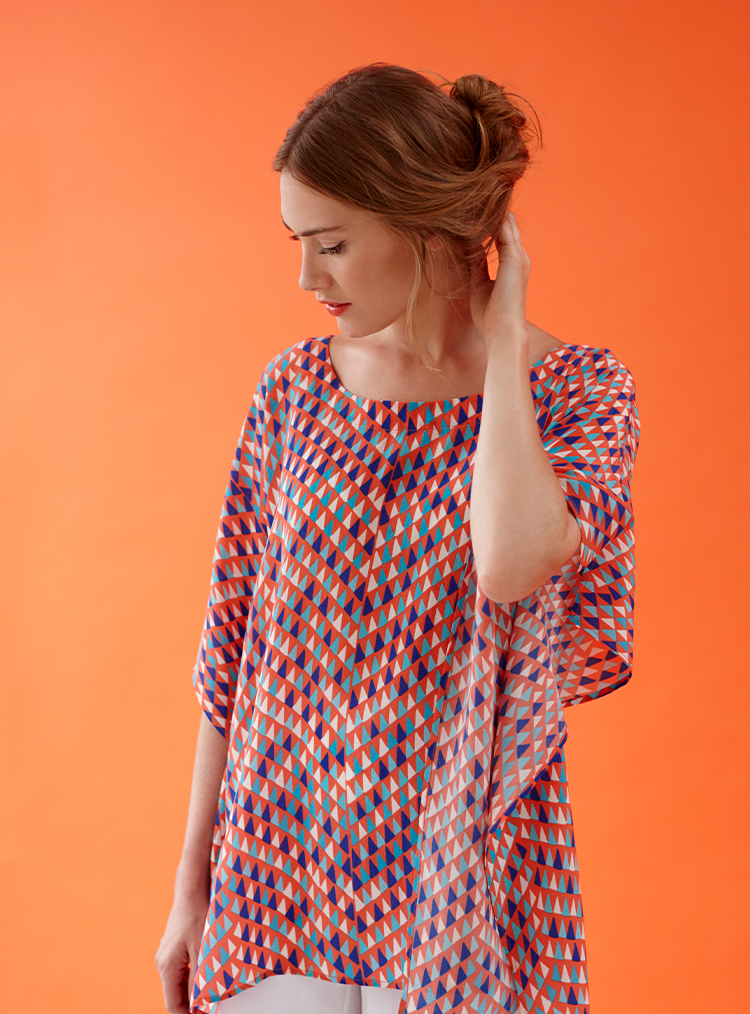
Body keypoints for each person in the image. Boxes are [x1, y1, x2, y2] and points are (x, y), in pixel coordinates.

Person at [155, 63, 640, 1014]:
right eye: (298, 242)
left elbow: (510, 561)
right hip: (275, 877)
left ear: (428, 229)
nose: (305, 278)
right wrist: (191, 892)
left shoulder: (579, 394)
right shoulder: (294, 392)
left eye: (330, 244)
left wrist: (500, 346)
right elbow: (232, 652)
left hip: (466, 884)